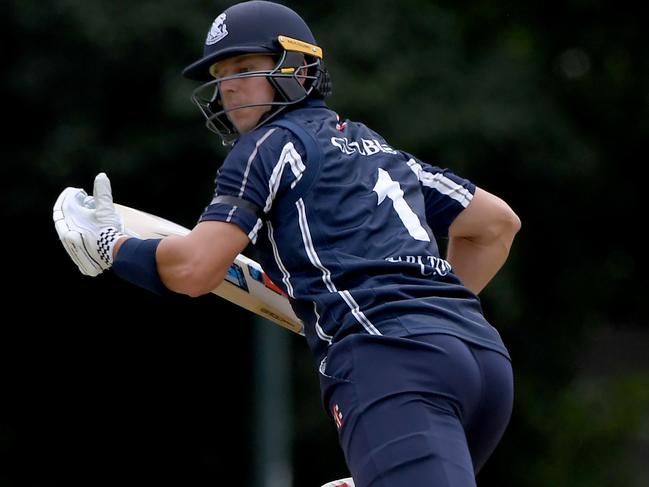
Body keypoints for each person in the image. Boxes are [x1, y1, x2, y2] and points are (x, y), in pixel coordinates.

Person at [53, 1, 521, 486]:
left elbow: (196, 268)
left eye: (245, 67)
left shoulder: (267, 146)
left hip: (391, 362)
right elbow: (495, 226)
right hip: (482, 361)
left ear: (298, 68)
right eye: (221, 73)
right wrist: (426, 315)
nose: (228, 85)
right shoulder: (378, 148)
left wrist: (112, 247)